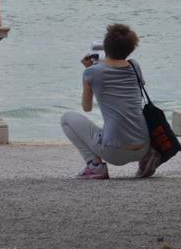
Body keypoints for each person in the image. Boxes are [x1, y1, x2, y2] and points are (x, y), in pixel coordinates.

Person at [60, 24, 160, 180]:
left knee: (66, 119)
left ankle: (95, 166)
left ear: (106, 47)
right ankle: (146, 159)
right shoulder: (135, 66)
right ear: (131, 48)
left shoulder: (92, 72)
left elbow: (86, 108)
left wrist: (88, 73)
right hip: (143, 145)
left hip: (114, 152)